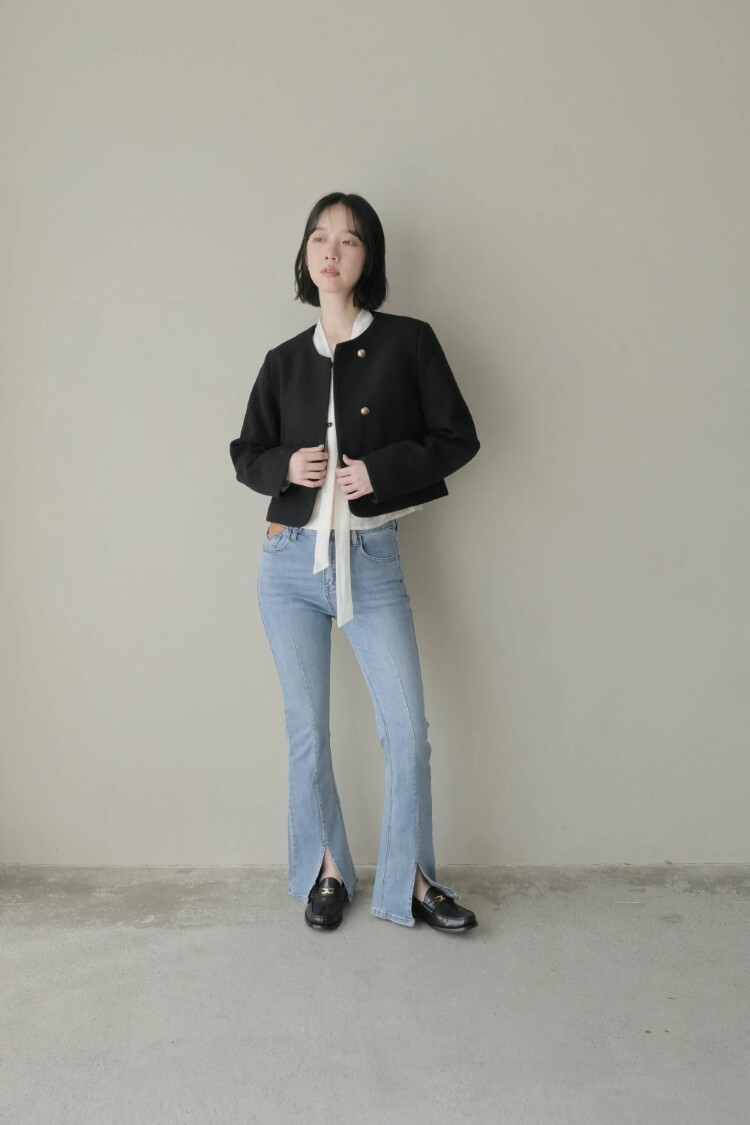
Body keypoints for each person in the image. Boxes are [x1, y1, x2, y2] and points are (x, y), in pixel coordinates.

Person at [229, 192, 480, 933]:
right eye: (319, 238)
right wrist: (285, 466)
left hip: (369, 559)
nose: (331, 251)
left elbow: (457, 436)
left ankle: (414, 881)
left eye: (348, 239)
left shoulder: (409, 342)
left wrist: (381, 472)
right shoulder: (282, 361)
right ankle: (327, 870)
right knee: (307, 731)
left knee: (407, 732)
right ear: (306, 256)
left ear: (369, 257)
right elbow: (245, 451)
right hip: (287, 563)